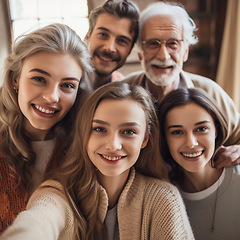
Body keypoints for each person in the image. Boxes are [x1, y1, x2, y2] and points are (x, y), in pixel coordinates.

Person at [0, 82, 194, 240]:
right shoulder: (58, 194)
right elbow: (38, 222)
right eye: (100, 129)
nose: (113, 145)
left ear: (144, 139)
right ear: (85, 134)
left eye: (129, 132)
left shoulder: (164, 198)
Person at [123, 1, 240, 168]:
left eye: (173, 44)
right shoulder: (123, 92)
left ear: (185, 52)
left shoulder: (210, 92)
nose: (163, 55)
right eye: (153, 43)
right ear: (140, 53)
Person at [0, 23, 93, 232]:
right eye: (39, 79)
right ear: (16, 79)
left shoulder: (88, 147)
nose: (52, 96)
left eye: (67, 85)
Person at [158, 88, 240, 239]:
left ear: (215, 130)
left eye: (201, 129)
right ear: (164, 138)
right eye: (177, 132)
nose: (191, 143)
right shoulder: (162, 200)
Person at [84, 0, 139, 89]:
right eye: (103, 34)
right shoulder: (61, 77)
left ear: (130, 51)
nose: (109, 48)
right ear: (87, 36)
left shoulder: (125, 92)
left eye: (122, 41)